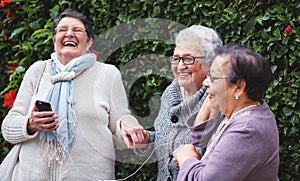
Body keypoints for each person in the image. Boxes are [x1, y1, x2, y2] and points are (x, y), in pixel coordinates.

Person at [1, 9, 145, 180]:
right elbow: (8, 128)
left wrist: (130, 129)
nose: (69, 34)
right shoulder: (38, 71)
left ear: (89, 41)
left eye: (77, 30)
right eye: (62, 30)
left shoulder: (107, 74)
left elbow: (120, 121)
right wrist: (31, 123)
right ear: (55, 40)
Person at [128, 25, 223, 180]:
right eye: (176, 58)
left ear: (210, 63)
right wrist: (146, 140)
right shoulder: (170, 94)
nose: (180, 66)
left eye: (188, 59)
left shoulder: (216, 101)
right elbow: (166, 138)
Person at [173, 44, 280, 181]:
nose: (205, 83)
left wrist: (186, 158)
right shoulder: (242, 112)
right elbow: (199, 139)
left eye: (213, 77)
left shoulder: (247, 129)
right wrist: (212, 96)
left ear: (239, 87)